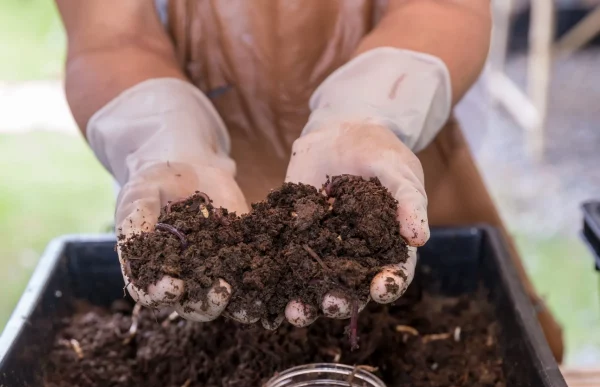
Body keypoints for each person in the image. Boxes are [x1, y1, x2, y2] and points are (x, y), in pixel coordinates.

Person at [55, 0, 564, 359]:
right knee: (183, 317)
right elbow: (112, 37)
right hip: (189, 176)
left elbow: (443, 8)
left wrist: (365, 114)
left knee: (496, 348)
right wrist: (161, 139)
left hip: (387, 152)